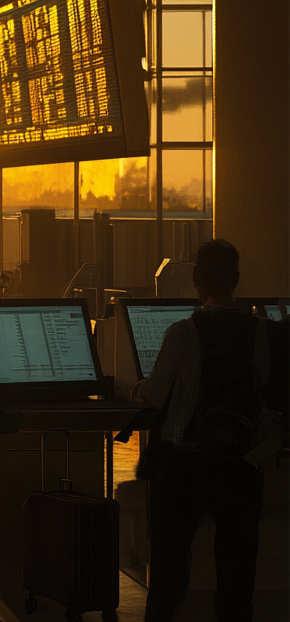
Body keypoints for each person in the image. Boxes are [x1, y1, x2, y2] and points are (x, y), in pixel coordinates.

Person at [133, 240, 274, 622]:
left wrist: (138, 387)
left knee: (168, 567)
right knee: (237, 570)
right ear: (237, 279)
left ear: (196, 280)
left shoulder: (182, 333)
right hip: (240, 464)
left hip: (186, 463)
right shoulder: (261, 334)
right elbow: (264, 388)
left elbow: (157, 394)